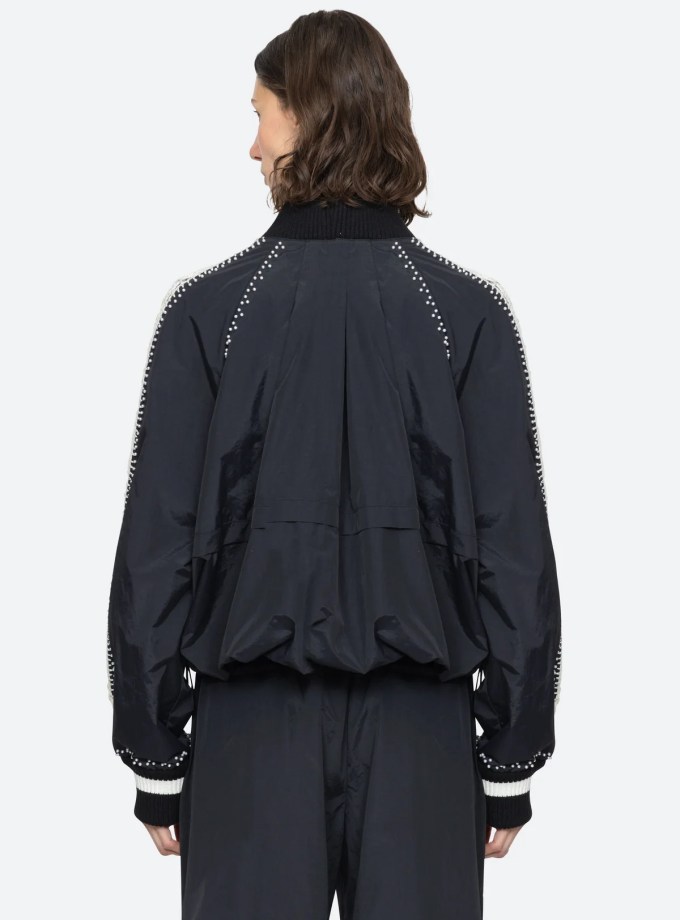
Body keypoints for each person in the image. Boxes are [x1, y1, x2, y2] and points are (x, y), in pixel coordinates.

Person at [106, 10, 562, 919]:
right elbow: (513, 551)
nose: (251, 147)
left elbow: (159, 548)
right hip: (422, 741)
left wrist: (155, 751)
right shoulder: (465, 314)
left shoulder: (210, 312)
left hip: (251, 738)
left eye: (262, 115)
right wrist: (510, 755)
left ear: (310, 117)